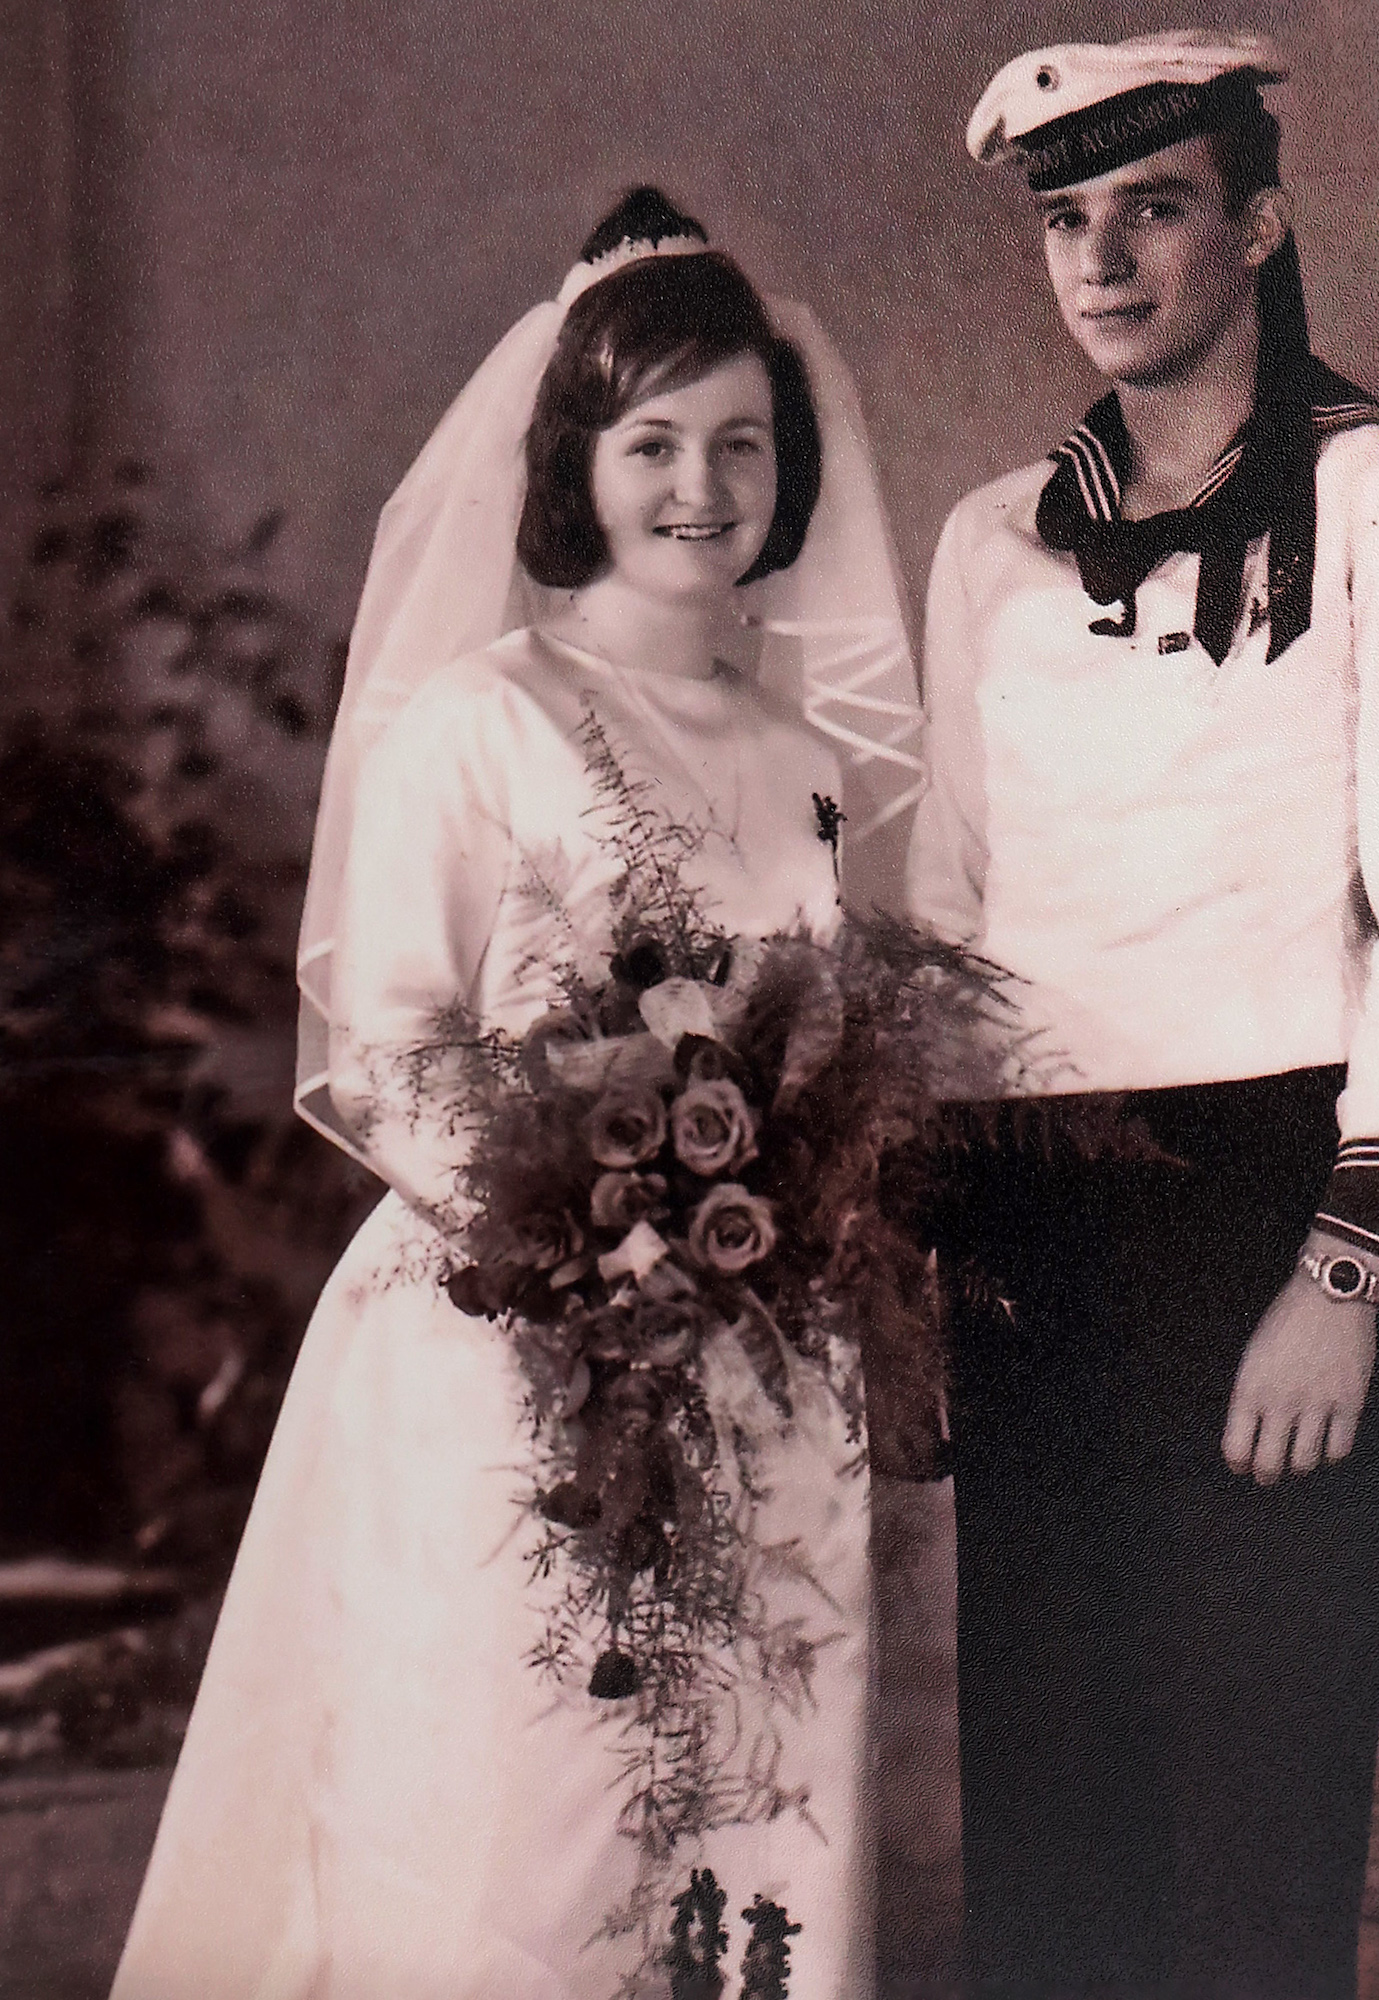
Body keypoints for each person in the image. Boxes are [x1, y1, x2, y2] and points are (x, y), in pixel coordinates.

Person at [111, 189, 920, 2000]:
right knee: (515, 1801)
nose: (700, 485)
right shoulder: (483, 718)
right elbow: (390, 1041)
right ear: (577, 459)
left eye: (742, 442)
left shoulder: (805, 761)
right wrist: (575, 1227)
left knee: (743, 1803)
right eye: (653, 442)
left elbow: (827, 1042)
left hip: (761, 1353)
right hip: (508, 1333)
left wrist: (782, 1218)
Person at [907, 31, 1379, 2000]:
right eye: (1064, 220)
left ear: (1257, 227)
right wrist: (919, 1268)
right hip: (1022, 1225)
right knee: (1045, 1834)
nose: (1101, 257)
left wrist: (1341, 1268)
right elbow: (949, 923)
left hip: (1263, 1199)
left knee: (1244, 1851)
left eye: (1153, 206)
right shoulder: (991, 545)